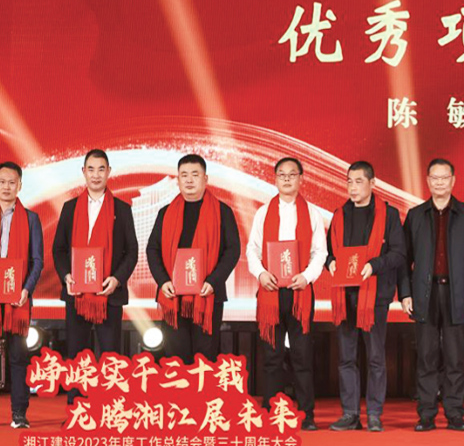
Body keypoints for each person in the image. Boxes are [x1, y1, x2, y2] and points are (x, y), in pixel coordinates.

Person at [398, 159, 464, 432]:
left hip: (458, 293)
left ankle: (455, 414)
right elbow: (404, 259)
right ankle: (426, 414)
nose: (439, 182)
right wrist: (406, 293)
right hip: (425, 293)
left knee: (455, 358)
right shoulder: (416, 215)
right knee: (426, 357)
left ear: (453, 180)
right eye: (434, 178)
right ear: (427, 181)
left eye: (444, 177)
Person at [246, 157, 327, 431]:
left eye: (292, 174)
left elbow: (320, 252)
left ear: (301, 178)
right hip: (270, 293)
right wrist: (261, 274)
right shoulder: (263, 212)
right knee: (272, 357)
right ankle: (272, 412)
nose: (287, 179)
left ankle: (306, 414)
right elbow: (252, 250)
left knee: (302, 356)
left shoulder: (312, 213)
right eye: (281, 174)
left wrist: (307, 276)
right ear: (275, 179)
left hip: (300, 293)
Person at [52, 149, 138, 405]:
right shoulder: (70, 208)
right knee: (76, 354)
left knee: (110, 356)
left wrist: (117, 279)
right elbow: (59, 249)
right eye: (91, 169)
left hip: (108, 295)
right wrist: (66, 275)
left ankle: (109, 410)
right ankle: (76, 409)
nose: (96, 174)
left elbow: (132, 251)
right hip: (77, 294)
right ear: (83, 172)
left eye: (101, 169)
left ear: (109, 172)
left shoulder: (122, 209)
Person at [327, 161, 405, 433]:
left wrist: (374, 265)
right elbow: (329, 251)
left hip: (374, 297)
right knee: (346, 358)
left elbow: (399, 253)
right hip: (344, 295)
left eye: (358, 181)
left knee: (375, 357)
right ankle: (350, 414)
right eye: (349, 181)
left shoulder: (388, 215)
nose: (353, 187)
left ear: (372, 183)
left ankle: (374, 413)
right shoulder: (339, 215)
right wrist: (330, 263)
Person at [146, 154, 241, 363]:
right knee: (175, 358)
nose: (189, 180)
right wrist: (163, 281)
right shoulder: (165, 213)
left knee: (204, 358)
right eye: (184, 175)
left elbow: (233, 250)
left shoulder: (222, 212)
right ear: (178, 179)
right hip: (173, 297)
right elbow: (152, 249)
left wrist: (213, 281)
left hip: (207, 295)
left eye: (195, 174)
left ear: (205, 179)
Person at [0, 162, 43, 429]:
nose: (6, 187)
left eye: (11, 182)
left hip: (18, 297)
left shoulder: (31, 219)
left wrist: (26, 290)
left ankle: (19, 413)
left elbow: (37, 260)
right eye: (2, 182)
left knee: (18, 356)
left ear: (20, 186)